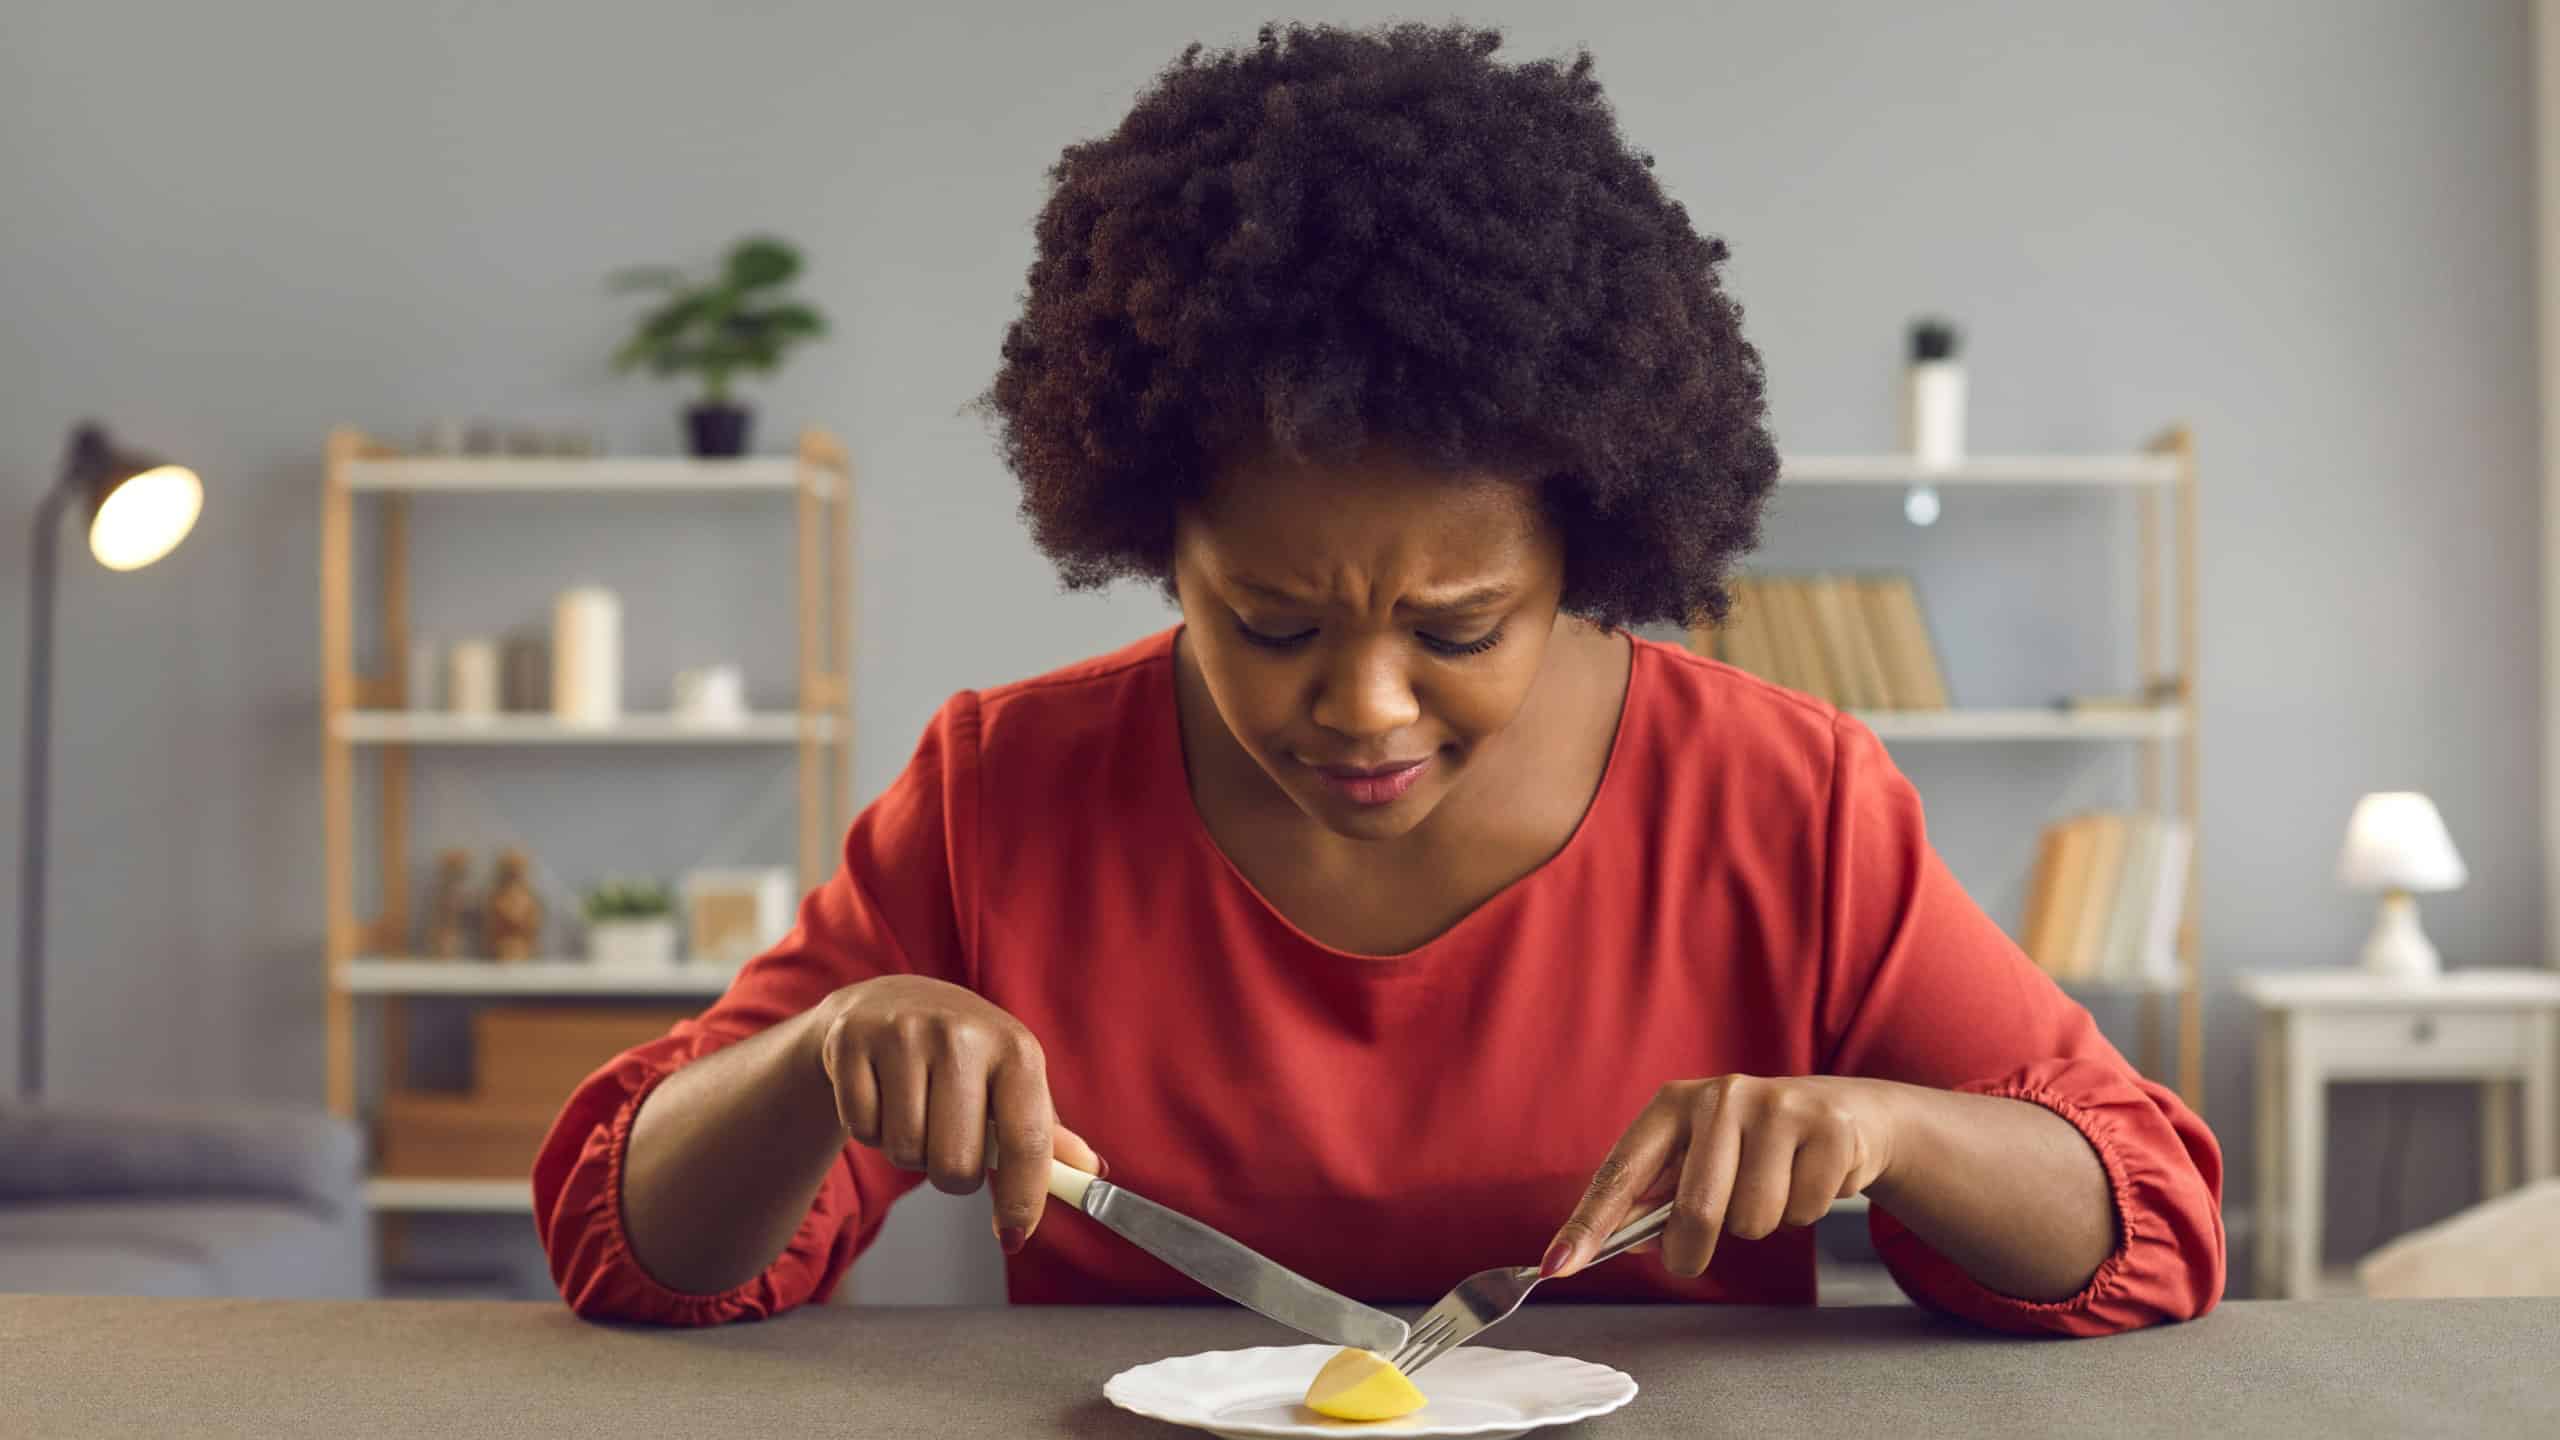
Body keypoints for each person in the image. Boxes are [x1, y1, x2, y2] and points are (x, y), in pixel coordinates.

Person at [534, 20, 2223, 1336]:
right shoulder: (1004, 792)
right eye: (1270, 624)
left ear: (1589, 553)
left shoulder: (1784, 803)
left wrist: (1889, 1136)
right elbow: (635, 1254)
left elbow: (2146, 1226)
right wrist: (816, 1054)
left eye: (1458, 628)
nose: (1362, 708)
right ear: (1153, 540)